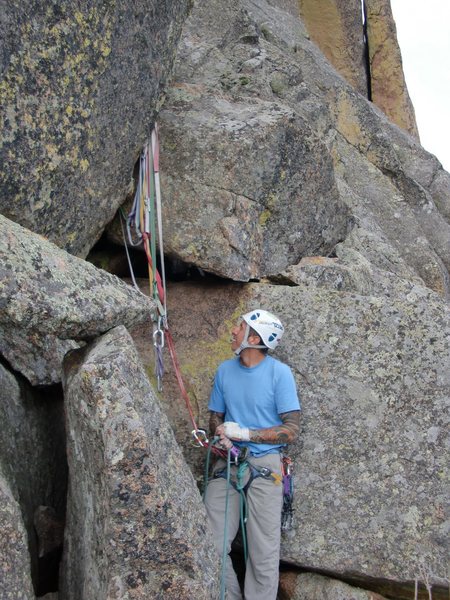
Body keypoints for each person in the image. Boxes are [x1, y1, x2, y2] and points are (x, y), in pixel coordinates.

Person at [204, 309, 301, 600]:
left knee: (263, 552)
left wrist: (247, 434)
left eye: (240, 326)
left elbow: (292, 428)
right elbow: (214, 416)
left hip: (266, 466)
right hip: (229, 463)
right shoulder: (225, 371)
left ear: (254, 337)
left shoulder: (278, 373)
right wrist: (221, 431)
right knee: (209, 541)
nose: (233, 331)